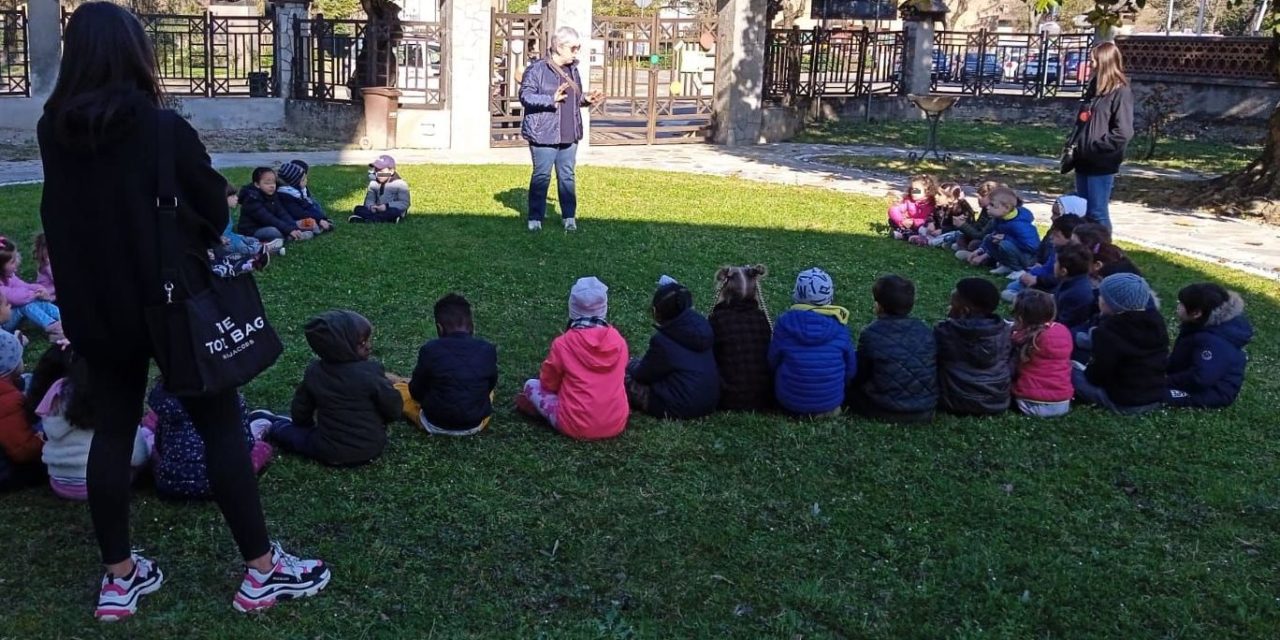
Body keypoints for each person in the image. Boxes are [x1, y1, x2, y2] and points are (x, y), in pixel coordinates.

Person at [38, 3, 328, 620]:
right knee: (220, 424)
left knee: (111, 431)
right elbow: (216, 211)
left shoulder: (52, 128)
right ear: (136, 53)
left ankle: (119, 578)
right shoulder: (161, 128)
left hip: (96, 307)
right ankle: (262, 571)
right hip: (171, 306)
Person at [269, 310, 403, 466]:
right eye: (362, 343)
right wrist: (384, 421)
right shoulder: (371, 373)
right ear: (343, 347)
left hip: (326, 450)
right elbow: (392, 406)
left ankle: (272, 425)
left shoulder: (315, 372)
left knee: (282, 430)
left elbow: (301, 408)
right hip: (372, 447)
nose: (369, 346)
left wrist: (304, 426)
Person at [31, 345, 152, 500]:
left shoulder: (58, 391)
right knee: (147, 438)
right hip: (102, 484)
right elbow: (138, 456)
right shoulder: (115, 395)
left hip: (59, 483)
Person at [515, 276, 630, 440]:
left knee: (531, 385)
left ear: (572, 308)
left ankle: (545, 412)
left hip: (575, 425)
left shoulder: (563, 344)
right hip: (616, 422)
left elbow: (548, 383)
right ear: (604, 308)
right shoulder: (619, 341)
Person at [519, 26, 605, 232]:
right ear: (559, 46)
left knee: (567, 175)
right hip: (543, 134)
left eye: (578, 48)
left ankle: (569, 216)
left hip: (569, 132)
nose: (576, 52)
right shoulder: (537, 69)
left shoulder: (573, 70)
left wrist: (586, 99)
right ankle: (535, 218)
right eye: (573, 48)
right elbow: (525, 96)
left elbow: (575, 97)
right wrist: (550, 99)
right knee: (542, 175)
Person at [148, 378, 276, 500]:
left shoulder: (165, 400)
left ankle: (147, 427)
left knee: (154, 450)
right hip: (224, 481)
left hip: (170, 482)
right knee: (261, 448)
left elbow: (159, 445)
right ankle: (261, 425)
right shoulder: (229, 396)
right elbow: (246, 444)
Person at [393, 293, 499, 436]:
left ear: (439, 328)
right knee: (488, 392)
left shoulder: (430, 349)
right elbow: (490, 385)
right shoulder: (488, 349)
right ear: (472, 326)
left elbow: (416, 392)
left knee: (399, 389)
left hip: (434, 423)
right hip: (476, 422)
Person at [846, 275, 937, 423]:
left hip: (883, 409)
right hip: (925, 410)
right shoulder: (925, 330)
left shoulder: (871, 333)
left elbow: (860, 374)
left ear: (878, 306)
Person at [1072, 273, 1168, 414]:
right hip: (1154, 396)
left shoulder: (1108, 331)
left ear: (1111, 304)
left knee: (1069, 371)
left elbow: (1098, 375)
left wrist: (1085, 371)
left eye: (1102, 296)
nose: (1099, 299)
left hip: (1123, 401)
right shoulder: (1156, 322)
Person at [627, 280, 720, 420]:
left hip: (678, 406)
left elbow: (642, 375)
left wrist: (630, 363)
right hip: (709, 400)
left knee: (620, 380)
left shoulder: (663, 342)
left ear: (656, 312)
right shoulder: (704, 328)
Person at [769, 268, 856, 418]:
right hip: (830, 406)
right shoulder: (840, 326)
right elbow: (850, 368)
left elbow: (772, 361)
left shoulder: (784, 323)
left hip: (790, 404)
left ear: (796, 294)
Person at [1069, 42, 1134, 230]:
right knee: (1084, 211)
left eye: (1093, 61)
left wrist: (1096, 148)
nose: (1090, 64)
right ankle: (1086, 250)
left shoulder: (1121, 91)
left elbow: (1123, 132)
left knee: (1097, 212)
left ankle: (1105, 252)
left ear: (1104, 62)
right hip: (1083, 159)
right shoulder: (1095, 89)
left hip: (1101, 162)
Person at [1167, 283, 1253, 409]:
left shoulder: (1214, 341)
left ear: (1196, 313)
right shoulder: (1201, 325)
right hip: (1193, 377)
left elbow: (1200, 378)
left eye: (1181, 304)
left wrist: (1165, 381)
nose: (1178, 306)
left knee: (1150, 394)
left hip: (1213, 392)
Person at [935, 278, 1012, 416]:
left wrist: (951, 320)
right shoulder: (1005, 331)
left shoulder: (946, 332)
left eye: (952, 305)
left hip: (956, 399)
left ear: (964, 310)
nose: (949, 307)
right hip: (997, 400)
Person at [708, 265, 773, 412]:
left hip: (727, 397)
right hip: (763, 397)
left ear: (723, 291)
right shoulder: (762, 319)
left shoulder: (717, 320)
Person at [1009, 290, 1073, 418]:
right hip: (1063, 402)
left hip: (1029, 403)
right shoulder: (1063, 331)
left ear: (1020, 318)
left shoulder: (1023, 338)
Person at [1002, 214, 1084, 303]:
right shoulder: (1057, 248)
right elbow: (1046, 266)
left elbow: (1058, 280)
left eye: (1056, 235)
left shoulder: (1071, 257)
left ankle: (1031, 301)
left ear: (1071, 238)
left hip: (1048, 286)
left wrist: (1036, 280)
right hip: (1041, 279)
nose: (1051, 238)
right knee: (1012, 286)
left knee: (1010, 291)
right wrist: (1035, 271)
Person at [0, 237, 65, 343]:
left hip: (10, 313)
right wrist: (34, 294)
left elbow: (24, 285)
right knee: (25, 305)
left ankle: (63, 317)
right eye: (12, 261)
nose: (17, 262)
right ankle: (54, 328)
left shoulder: (9, 276)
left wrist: (39, 289)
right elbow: (16, 298)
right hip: (3, 323)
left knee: (35, 300)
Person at [967, 186, 1040, 275]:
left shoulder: (1019, 224)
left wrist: (1007, 238)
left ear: (1006, 207)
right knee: (990, 237)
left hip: (1028, 259)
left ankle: (1018, 270)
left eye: (992, 205)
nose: (987, 207)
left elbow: (1033, 246)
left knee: (1004, 244)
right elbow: (992, 236)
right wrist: (980, 250)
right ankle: (1007, 265)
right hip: (1015, 253)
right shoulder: (999, 219)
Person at [0, 331, 41, 484]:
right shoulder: (7, 399)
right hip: (6, 471)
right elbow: (23, 450)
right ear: (10, 364)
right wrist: (45, 442)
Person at [238, 167, 313, 243]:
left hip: (270, 224)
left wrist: (294, 228)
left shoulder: (273, 195)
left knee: (303, 223)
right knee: (274, 232)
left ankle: (296, 234)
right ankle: (290, 238)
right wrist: (288, 230)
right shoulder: (252, 199)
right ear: (257, 184)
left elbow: (282, 213)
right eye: (267, 183)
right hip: (253, 230)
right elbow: (268, 219)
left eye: (273, 182)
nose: (272, 186)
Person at [275, 161, 333, 233]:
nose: (306, 181)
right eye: (303, 180)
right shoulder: (285, 196)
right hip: (293, 220)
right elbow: (299, 214)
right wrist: (318, 220)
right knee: (310, 223)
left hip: (302, 217)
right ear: (294, 183)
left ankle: (320, 225)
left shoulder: (297, 192)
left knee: (314, 208)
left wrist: (321, 218)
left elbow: (308, 206)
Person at [350, 155, 411, 223]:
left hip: (390, 209)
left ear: (391, 171)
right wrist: (371, 206)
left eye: (381, 171)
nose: (378, 174)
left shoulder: (400, 184)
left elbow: (404, 203)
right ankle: (381, 219)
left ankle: (367, 219)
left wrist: (386, 206)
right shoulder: (373, 183)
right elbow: (369, 199)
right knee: (358, 208)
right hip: (377, 210)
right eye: (376, 170)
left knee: (394, 212)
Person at [887, 174, 937, 241]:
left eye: (917, 190)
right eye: (912, 189)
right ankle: (904, 233)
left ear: (927, 191)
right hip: (908, 224)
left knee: (925, 228)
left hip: (922, 226)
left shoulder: (932, 204)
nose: (913, 192)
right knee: (892, 220)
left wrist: (914, 222)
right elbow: (894, 210)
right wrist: (901, 221)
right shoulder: (909, 200)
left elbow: (931, 219)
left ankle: (906, 235)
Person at [33, 232, 56, 301]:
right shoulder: (43, 265)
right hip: (42, 294)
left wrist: (48, 266)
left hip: (50, 297)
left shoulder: (48, 266)